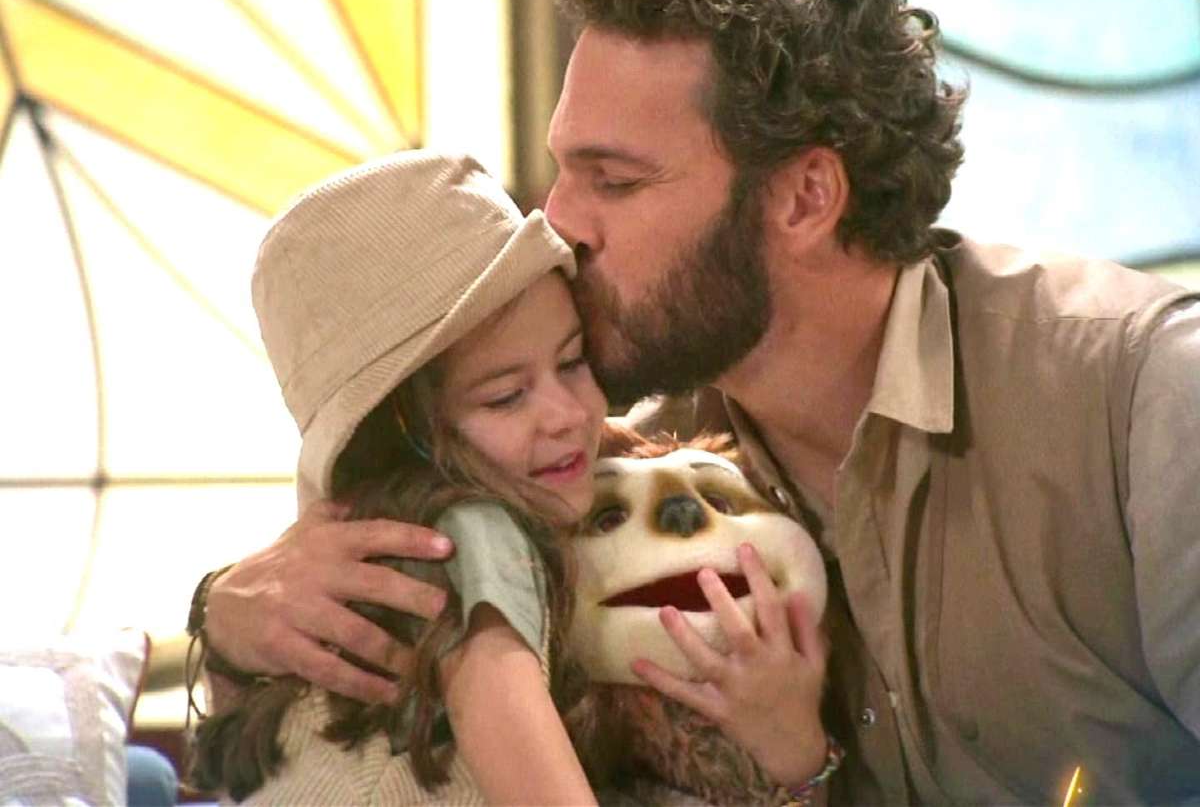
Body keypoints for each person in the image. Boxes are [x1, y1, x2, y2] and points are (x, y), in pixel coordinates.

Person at [195, 0, 1200, 804]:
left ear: (805, 198)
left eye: (614, 181)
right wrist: (229, 618)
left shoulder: (1142, 399)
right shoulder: (620, 461)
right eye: (562, 170)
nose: (557, 224)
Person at [187, 149, 824, 804]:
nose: (566, 414)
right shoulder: (470, 533)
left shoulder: (373, 551)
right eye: (504, 397)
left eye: (573, 362)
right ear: (405, 432)